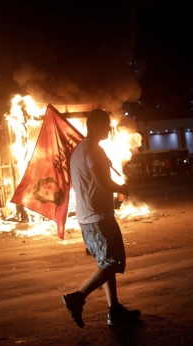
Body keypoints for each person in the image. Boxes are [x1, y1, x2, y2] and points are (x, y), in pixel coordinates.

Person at [62, 108, 141, 328]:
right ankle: (77, 298)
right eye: (106, 124)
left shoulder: (80, 150)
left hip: (88, 217)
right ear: (96, 125)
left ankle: (114, 310)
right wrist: (121, 187)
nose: (108, 128)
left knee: (106, 264)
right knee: (113, 261)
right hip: (99, 218)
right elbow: (102, 182)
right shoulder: (93, 150)